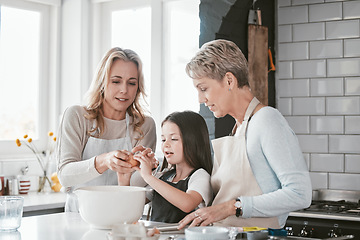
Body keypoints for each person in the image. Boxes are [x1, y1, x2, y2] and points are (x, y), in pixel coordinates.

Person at [178, 39, 312, 229]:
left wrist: (232, 207)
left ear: (229, 80)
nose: (201, 99)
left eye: (203, 88)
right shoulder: (239, 128)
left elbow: (300, 194)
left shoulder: (267, 120)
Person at [57, 47, 157, 212]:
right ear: (102, 82)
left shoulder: (145, 125)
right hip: (79, 215)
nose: (124, 90)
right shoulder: (77, 116)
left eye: (131, 83)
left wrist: (146, 169)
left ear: (138, 87)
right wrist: (104, 161)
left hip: (122, 214)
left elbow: (136, 189)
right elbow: (65, 176)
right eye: (116, 81)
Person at [133, 111, 213, 223]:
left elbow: (187, 204)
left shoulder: (200, 176)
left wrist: (148, 177)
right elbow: (132, 207)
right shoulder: (163, 176)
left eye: (174, 139)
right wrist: (124, 175)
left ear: (193, 141)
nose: (165, 145)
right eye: (163, 139)